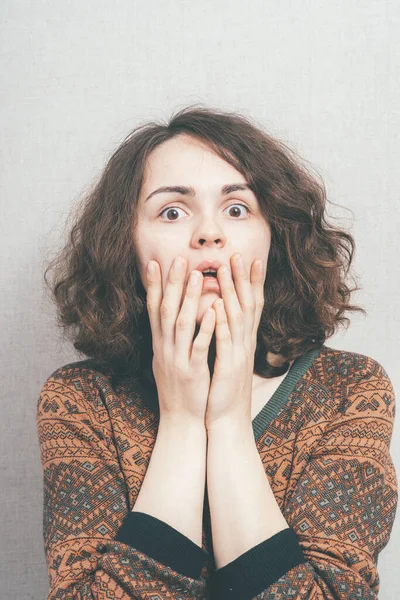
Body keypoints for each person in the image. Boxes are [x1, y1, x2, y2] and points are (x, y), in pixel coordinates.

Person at [37, 105, 398, 599]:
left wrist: (227, 425)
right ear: (128, 243)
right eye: (172, 211)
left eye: (236, 208)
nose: (209, 233)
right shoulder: (79, 400)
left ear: (275, 237)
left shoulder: (348, 390)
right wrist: (183, 423)